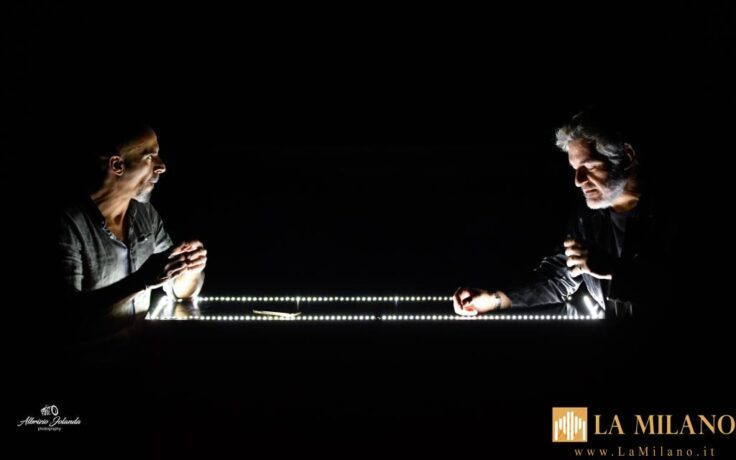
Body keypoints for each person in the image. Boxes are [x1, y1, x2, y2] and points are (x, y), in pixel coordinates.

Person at [453, 107, 676, 318]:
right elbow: (559, 277)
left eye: (590, 167)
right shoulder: (588, 217)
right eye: (575, 169)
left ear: (627, 157)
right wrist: (494, 300)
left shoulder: (667, 212)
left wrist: (615, 271)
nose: (578, 181)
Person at [57, 124, 207, 348]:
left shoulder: (145, 214)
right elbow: (67, 317)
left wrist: (190, 269)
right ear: (117, 165)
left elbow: (178, 291)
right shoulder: (69, 224)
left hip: (141, 355)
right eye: (150, 157)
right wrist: (142, 281)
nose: (162, 166)